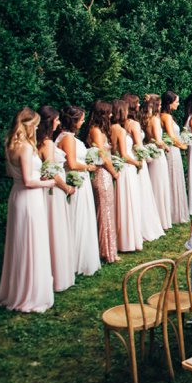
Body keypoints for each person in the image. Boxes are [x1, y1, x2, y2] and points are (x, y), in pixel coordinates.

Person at [0, 108, 56, 313]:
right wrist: (49, 183)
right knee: (31, 242)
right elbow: (29, 181)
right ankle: (29, 293)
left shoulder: (10, 144)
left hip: (17, 196)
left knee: (21, 243)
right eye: (35, 125)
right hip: (29, 198)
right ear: (28, 126)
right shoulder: (26, 148)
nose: (37, 128)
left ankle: (17, 288)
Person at [57, 105, 101, 277]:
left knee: (81, 217)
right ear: (74, 121)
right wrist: (89, 167)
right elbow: (72, 163)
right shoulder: (67, 138)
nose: (83, 121)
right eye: (81, 119)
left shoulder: (68, 136)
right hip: (76, 181)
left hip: (80, 181)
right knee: (77, 218)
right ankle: (75, 260)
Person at [37, 105, 76, 292]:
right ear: (50, 121)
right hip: (54, 191)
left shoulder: (38, 141)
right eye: (57, 119)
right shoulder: (48, 144)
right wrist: (67, 187)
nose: (59, 122)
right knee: (56, 228)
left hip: (45, 191)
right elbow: (52, 172)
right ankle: (58, 275)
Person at [124, 93, 164, 243]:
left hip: (131, 160)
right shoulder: (134, 124)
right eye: (138, 103)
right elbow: (138, 145)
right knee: (143, 192)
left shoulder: (124, 123)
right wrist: (145, 156)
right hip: (137, 160)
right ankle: (144, 225)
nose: (140, 105)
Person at [87, 100, 119, 263]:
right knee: (104, 212)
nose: (112, 115)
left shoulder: (100, 130)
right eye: (109, 113)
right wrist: (114, 172)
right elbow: (102, 156)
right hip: (102, 174)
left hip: (106, 173)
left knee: (108, 211)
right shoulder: (96, 131)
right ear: (102, 114)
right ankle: (105, 251)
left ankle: (110, 249)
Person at [111, 99, 143, 253]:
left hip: (119, 166)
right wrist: (137, 163)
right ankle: (127, 240)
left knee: (120, 202)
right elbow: (124, 155)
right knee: (128, 202)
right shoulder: (121, 130)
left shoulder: (110, 128)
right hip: (126, 167)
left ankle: (119, 238)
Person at [141, 94, 172, 232]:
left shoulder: (143, 118)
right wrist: (166, 146)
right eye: (159, 105)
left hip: (148, 150)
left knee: (153, 186)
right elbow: (158, 141)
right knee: (160, 186)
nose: (160, 107)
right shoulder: (154, 119)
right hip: (157, 155)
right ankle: (160, 218)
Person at [160, 91, 189, 226]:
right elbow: (171, 136)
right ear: (169, 103)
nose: (178, 104)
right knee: (172, 178)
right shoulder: (166, 116)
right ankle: (172, 213)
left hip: (174, 149)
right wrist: (182, 146)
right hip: (172, 150)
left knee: (176, 177)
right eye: (176, 101)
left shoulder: (169, 116)